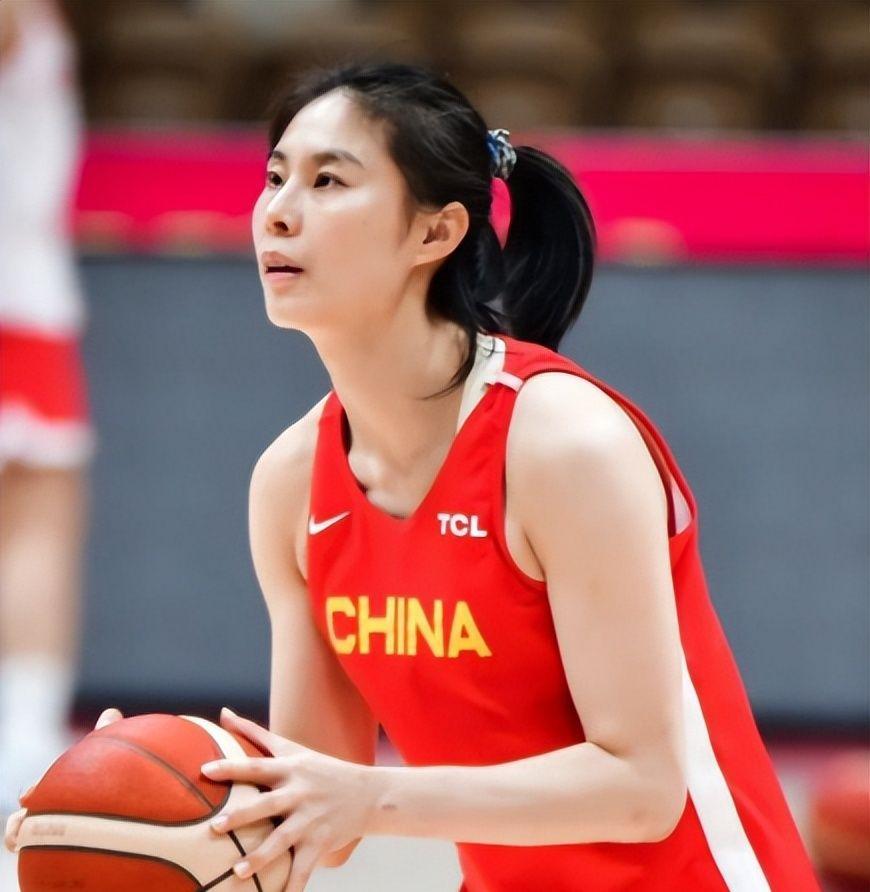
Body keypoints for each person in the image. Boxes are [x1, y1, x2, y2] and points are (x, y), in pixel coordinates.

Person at [7, 61, 820, 891]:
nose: (278, 212)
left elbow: (641, 788)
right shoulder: (291, 482)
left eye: (328, 181)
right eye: (276, 178)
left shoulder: (564, 445)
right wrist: (125, 793)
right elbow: (317, 814)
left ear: (435, 234)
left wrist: (370, 798)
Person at [0, 0, 94, 819]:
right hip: (19, 294)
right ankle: (23, 734)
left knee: (38, 515)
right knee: (35, 518)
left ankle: (24, 734)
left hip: (24, 297)